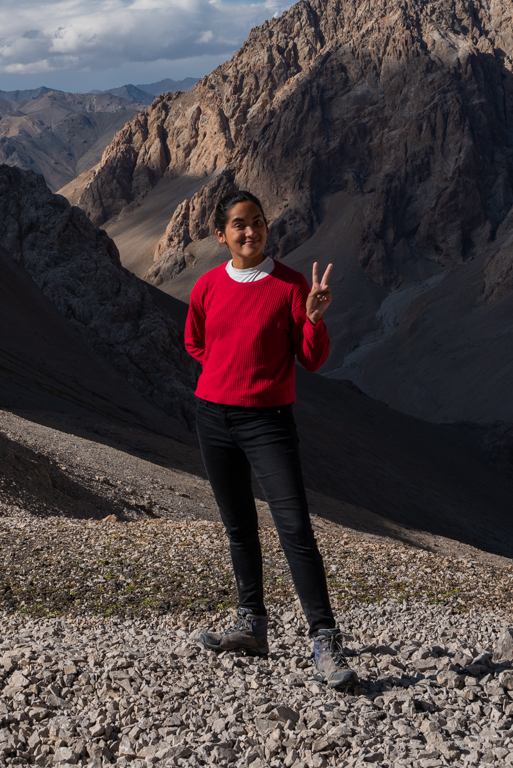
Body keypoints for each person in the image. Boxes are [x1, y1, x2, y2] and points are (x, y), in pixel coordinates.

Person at [184, 189, 357, 690]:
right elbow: (196, 340)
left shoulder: (289, 285)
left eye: (257, 222)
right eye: (238, 224)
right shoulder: (207, 286)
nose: (250, 231)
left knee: (295, 529)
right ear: (221, 235)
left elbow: (312, 358)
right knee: (238, 526)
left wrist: (316, 318)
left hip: (268, 422)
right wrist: (224, 375)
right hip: (214, 417)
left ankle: (324, 638)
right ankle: (252, 625)